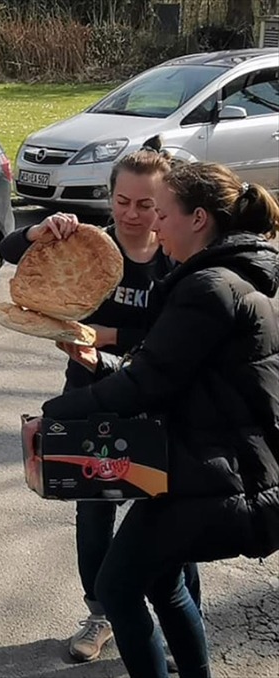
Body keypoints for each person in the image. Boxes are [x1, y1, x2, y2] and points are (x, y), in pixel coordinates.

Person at [27, 162, 279, 678]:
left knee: (117, 586)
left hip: (216, 478)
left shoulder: (209, 287)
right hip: (209, 466)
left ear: (199, 219)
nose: (154, 226)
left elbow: (148, 384)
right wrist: (106, 365)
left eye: (163, 214)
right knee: (161, 581)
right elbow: (170, 372)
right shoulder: (224, 279)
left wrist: (55, 415)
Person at [0, 139, 199, 662]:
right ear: (108, 198)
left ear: (165, 207)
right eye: (121, 201)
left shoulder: (177, 259)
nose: (132, 215)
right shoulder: (88, 246)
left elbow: (172, 338)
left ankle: (185, 619)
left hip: (156, 401)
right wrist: (39, 231)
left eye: (145, 205)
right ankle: (100, 611)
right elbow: (8, 252)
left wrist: (103, 335)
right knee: (93, 513)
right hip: (89, 397)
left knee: (170, 514)